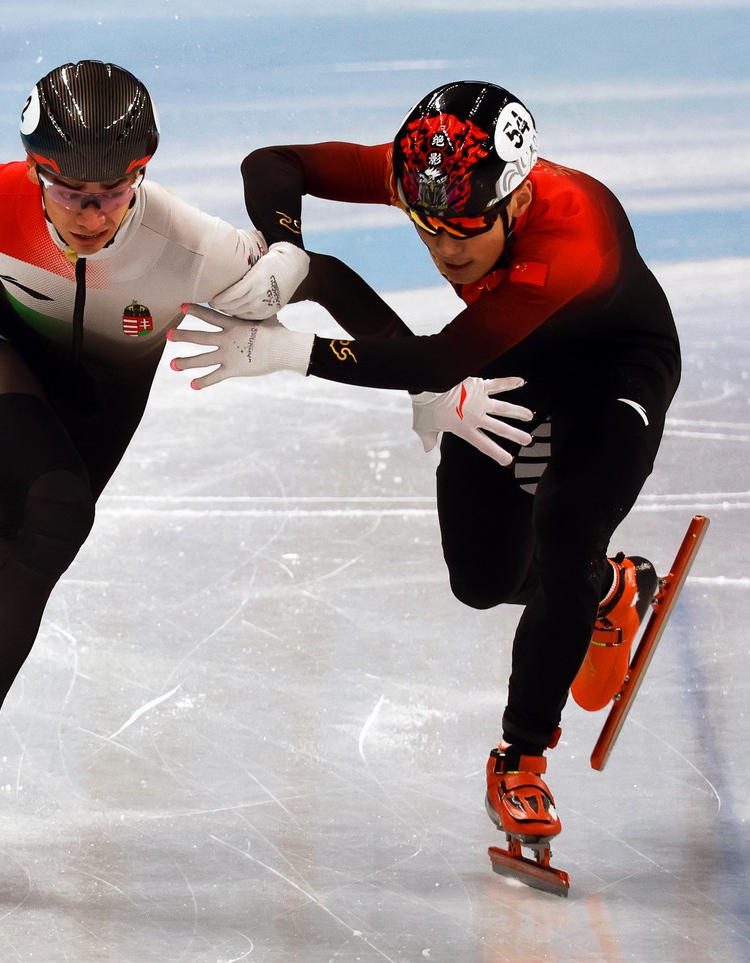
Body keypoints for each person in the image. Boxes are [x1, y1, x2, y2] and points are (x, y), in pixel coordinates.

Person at [0, 61, 515, 893]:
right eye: (67, 191)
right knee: (53, 513)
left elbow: (324, 280)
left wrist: (424, 378)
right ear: (35, 170)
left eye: (113, 192)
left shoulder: (194, 247)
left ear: (141, 173)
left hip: (96, 410)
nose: (89, 213)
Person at [169, 81, 680, 867]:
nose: (444, 250)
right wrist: (287, 248)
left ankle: (520, 759)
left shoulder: (573, 236)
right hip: (508, 348)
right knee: (482, 580)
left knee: (569, 527)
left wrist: (292, 352)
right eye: (425, 227)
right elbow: (272, 163)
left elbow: (442, 358)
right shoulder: (426, 172)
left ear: (514, 199)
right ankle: (612, 589)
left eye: (464, 231)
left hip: (615, 364)